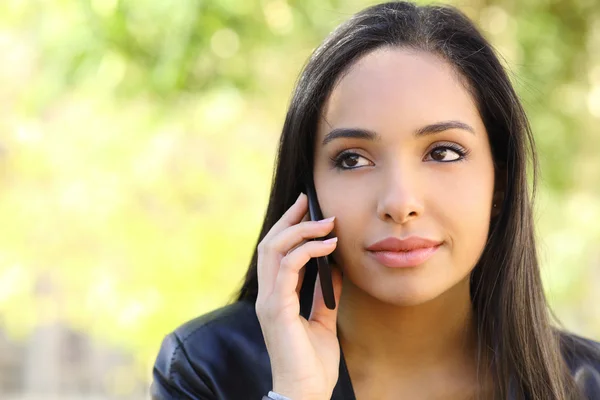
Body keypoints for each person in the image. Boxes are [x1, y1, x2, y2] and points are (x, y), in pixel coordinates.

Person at [150, 1, 600, 399]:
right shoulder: (207, 370)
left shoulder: (588, 382)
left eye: (443, 152)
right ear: (308, 188)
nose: (400, 202)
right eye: (352, 159)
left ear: (499, 185)